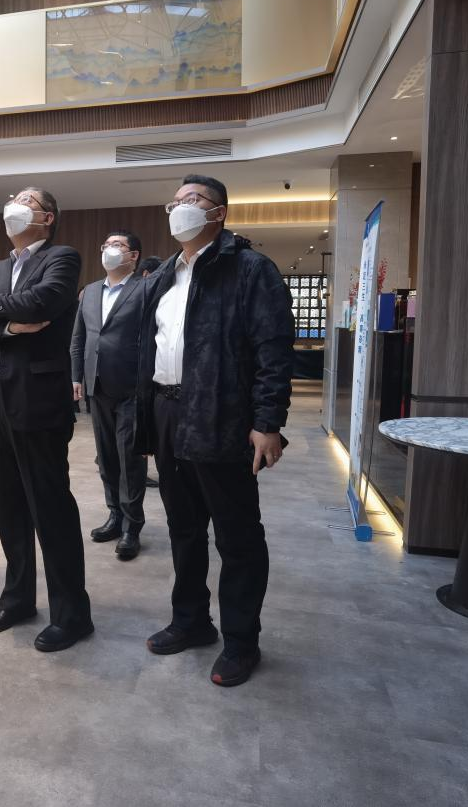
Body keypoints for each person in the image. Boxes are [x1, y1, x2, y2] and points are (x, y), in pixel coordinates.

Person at [136, 174, 293, 688]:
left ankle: (241, 642)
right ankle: (191, 621)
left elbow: (273, 349)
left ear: (218, 212)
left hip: (221, 415)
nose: (180, 207)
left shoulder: (249, 268)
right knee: (183, 528)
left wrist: (267, 422)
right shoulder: (164, 274)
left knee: (236, 535)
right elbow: (150, 348)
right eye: (175, 201)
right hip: (167, 410)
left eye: (192, 199)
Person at [0, 187, 93, 652]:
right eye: (13, 197)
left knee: (50, 508)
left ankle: (72, 614)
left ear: (48, 217)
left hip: (39, 399)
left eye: (27, 200)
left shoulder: (62, 257)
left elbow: (44, 302)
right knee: (10, 505)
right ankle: (18, 598)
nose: (15, 204)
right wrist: (8, 324)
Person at [71, 229, 147, 560]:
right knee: (106, 457)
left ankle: (132, 526)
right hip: (97, 385)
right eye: (106, 245)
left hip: (131, 387)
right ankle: (114, 515)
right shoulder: (89, 291)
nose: (109, 250)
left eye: (117, 245)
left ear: (133, 256)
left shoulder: (144, 289)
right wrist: (76, 376)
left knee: (130, 458)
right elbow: (79, 338)